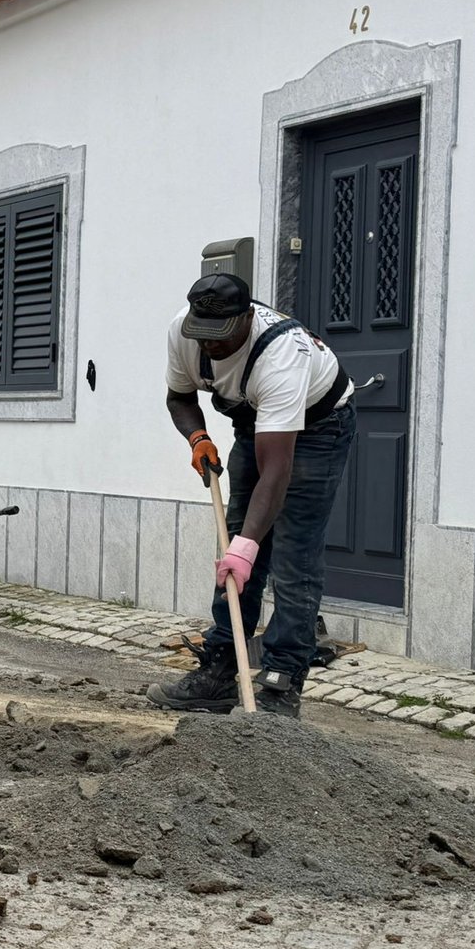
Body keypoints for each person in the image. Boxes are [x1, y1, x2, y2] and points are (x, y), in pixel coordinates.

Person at [148, 272, 355, 719]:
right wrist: (198, 437)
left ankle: (282, 681)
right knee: (238, 547)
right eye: (202, 335)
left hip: (320, 427)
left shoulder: (282, 355)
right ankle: (222, 669)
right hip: (254, 422)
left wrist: (247, 545)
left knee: (292, 554)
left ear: (247, 319)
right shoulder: (185, 331)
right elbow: (179, 396)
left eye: (220, 337)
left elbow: (277, 469)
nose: (209, 346)